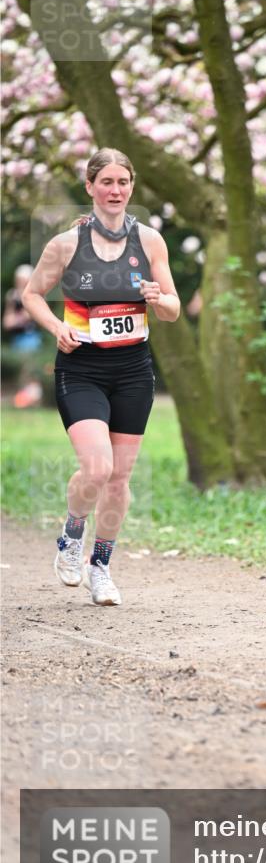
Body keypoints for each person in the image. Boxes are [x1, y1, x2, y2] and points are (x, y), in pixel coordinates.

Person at [21, 147, 180, 606]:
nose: (115, 190)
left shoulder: (149, 241)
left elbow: (171, 308)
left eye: (123, 183)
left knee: (119, 479)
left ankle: (101, 567)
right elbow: (33, 295)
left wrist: (157, 297)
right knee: (98, 467)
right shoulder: (65, 245)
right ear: (89, 187)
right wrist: (56, 326)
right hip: (82, 369)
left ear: (132, 188)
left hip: (133, 370)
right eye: (106, 182)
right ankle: (72, 535)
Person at [2, 264, 44, 408]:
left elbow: (29, 316)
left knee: (29, 370)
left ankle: (32, 401)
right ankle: (22, 401)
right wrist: (18, 319)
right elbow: (7, 322)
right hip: (17, 339)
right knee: (21, 370)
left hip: (30, 338)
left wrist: (16, 319)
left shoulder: (34, 295)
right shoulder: (12, 296)